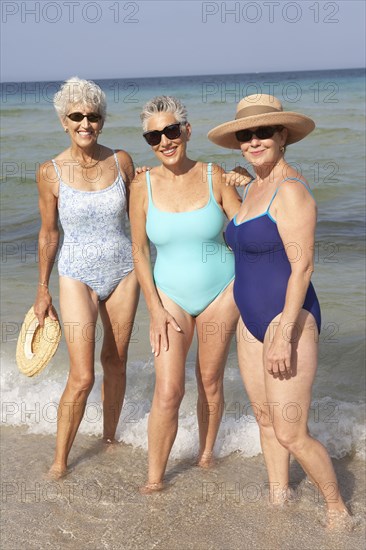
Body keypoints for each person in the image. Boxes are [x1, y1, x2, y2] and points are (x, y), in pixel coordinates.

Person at [208, 94, 351, 527]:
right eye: (246, 135)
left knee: (290, 431)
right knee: (266, 421)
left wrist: (285, 330)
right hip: (251, 325)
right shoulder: (252, 188)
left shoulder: (290, 191)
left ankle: (337, 508)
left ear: (282, 136)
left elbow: (302, 265)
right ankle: (278, 498)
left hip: (287, 321)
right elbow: (244, 236)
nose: (254, 141)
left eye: (263, 132)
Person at [129, 96, 242, 493]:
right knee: (168, 390)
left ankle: (207, 455)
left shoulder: (216, 176)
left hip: (221, 293)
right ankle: (155, 479)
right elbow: (139, 251)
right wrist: (155, 309)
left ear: (187, 131)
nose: (164, 141)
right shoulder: (141, 185)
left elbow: (248, 226)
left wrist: (251, 179)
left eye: (171, 131)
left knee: (210, 379)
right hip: (169, 298)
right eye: (154, 136)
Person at [34, 77, 140, 478]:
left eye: (93, 116)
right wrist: (42, 290)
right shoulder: (50, 172)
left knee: (115, 361)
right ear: (64, 121)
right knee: (82, 375)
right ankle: (60, 461)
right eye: (76, 116)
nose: (85, 123)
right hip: (76, 273)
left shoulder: (121, 162)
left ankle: (110, 438)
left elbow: (140, 217)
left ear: (102, 121)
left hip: (123, 272)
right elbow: (48, 233)